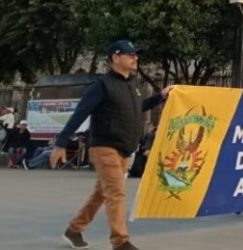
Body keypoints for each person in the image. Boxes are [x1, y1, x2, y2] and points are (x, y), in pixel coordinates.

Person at [50, 40, 173, 250]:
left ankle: (74, 230)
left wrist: (159, 97)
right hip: (105, 146)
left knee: (103, 193)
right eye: (130, 54)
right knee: (116, 191)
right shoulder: (101, 85)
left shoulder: (133, 85)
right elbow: (80, 113)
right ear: (116, 58)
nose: (136, 58)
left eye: (136, 54)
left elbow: (137, 108)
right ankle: (120, 242)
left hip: (125, 148)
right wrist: (61, 143)